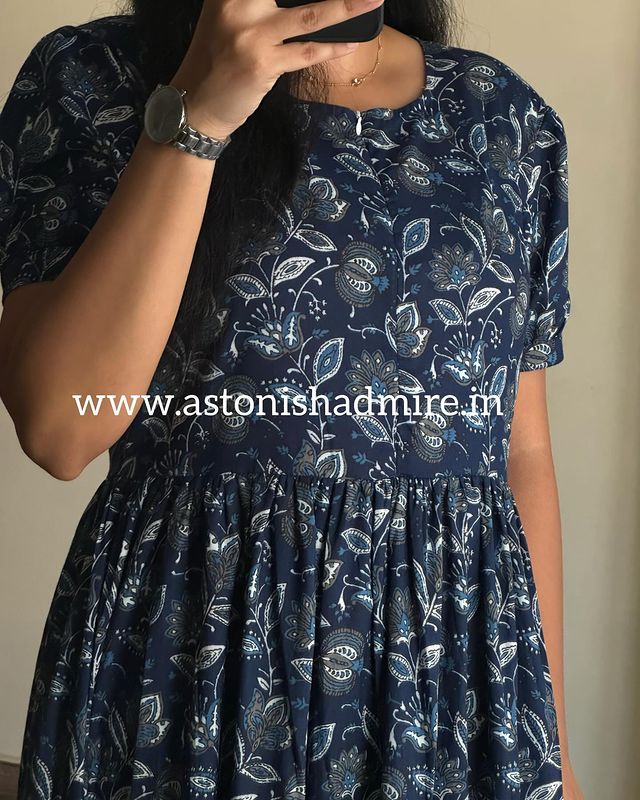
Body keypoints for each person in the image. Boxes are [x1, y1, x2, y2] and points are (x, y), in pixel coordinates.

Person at [0, 0, 583, 797]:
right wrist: (199, 115)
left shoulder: (506, 119)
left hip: (446, 687)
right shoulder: (94, 78)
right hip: (192, 672)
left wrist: (551, 743)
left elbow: (522, 451)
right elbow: (59, 428)